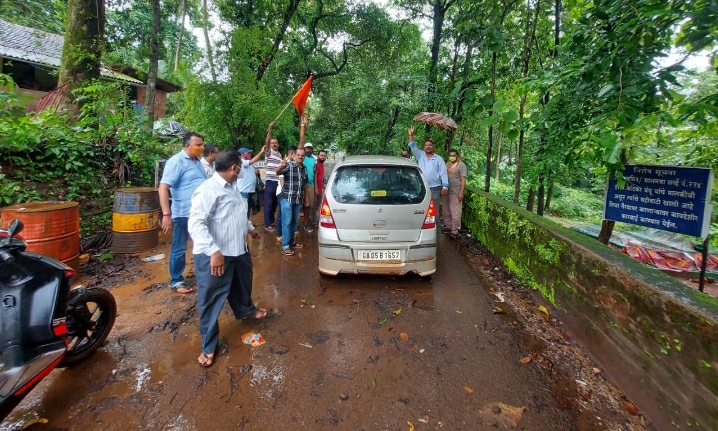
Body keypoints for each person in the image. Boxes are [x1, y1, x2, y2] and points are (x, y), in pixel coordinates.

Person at [188, 150, 268, 368]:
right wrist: (214, 252)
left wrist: (250, 228)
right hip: (216, 256)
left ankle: (246, 310)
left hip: (238, 250)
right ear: (234, 168)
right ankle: (208, 346)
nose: (240, 171)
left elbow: (237, 213)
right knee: (212, 299)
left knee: (242, 284)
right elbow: (195, 224)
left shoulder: (233, 186)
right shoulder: (207, 191)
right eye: (239, 168)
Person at [159, 131, 208, 294]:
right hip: (183, 213)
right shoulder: (176, 161)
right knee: (179, 247)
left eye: (202, 144)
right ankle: (177, 280)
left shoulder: (197, 162)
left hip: (200, 213)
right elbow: (163, 188)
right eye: (198, 145)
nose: (202, 147)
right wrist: (166, 214)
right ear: (187, 146)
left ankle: (206, 275)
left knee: (203, 243)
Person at [276, 118, 310, 256]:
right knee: (287, 221)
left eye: (302, 155)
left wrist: (306, 197)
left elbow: (305, 185)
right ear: (294, 155)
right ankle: (285, 245)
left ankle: (292, 242)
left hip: (297, 199)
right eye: (298, 155)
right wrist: (281, 166)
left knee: (294, 222)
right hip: (287, 198)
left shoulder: (304, 169)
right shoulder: (289, 165)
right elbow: (277, 172)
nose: (300, 157)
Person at [408, 126, 448, 202]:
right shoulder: (420, 155)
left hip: (435, 187)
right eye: (426, 145)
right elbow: (413, 146)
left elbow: (443, 173)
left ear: (433, 147)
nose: (428, 147)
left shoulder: (439, 159)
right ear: (424, 147)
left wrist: (445, 187)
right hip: (421, 186)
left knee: (434, 208)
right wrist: (411, 135)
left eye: (430, 145)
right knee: (422, 208)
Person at [442, 149, 467, 239]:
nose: (452, 157)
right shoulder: (447, 165)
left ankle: (455, 230)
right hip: (446, 191)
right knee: (446, 211)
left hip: (456, 192)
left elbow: (463, 179)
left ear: (457, 156)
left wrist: (461, 192)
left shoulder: (461, 165)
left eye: (454, 155)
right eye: (450, 155)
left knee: (455, 212)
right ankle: (449, 227)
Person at [263, 122, 282, 232]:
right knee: (268, 203)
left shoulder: (279, 154)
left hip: (278, 182)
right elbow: (267, 142)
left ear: (278, 145)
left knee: (275, 202)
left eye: (276, 143)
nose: (274, 144)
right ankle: (267, 224)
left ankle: (271, 220)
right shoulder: (269, 153)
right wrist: (270, 129)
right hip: (270, 181)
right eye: (272, 143)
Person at [237, 147, 266, 218]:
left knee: (248, 210)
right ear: (243, 154)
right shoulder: (241, 162)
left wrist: (256, 173)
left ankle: (246, 224)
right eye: (248, 153)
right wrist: (261, 151)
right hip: (244, 191)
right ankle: (243, 226)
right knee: (244, 211)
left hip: (250, 191)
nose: (250, 154)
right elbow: (253, 161)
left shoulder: (249, 164)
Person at [276, 146, 296, 243]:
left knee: (288, 215)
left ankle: (287, 236)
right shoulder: (285, 163)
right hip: (282, 192)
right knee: (282, 214)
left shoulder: (294, 163)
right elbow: (281, 180)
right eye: (296, 155)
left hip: (288, 194)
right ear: (292, 154)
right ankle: (280, 234)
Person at [301, 140, 317, 232]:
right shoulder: (301, 157)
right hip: (300, 185)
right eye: (307, 148)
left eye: (311, 148)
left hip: (310, 185)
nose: (309, 150)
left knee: (308, 205)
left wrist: (315, 186)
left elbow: (315, 173)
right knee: (296, 205)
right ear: (304, 149)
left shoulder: (314, 159)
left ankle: (306, 224)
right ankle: (294, 227)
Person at [313, 149, 327, 223]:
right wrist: (316, 188)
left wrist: (324, 187)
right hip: (316, 188)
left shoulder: (322, 164)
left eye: (324, 156)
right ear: (318, 156)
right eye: (321, 155)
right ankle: (313, 220)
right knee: (314, 205)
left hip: (320, 188)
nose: (323, 157)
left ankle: (312, 218)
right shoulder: (317, 164)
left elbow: (321, 178)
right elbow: (315, 176)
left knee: (318, 204)